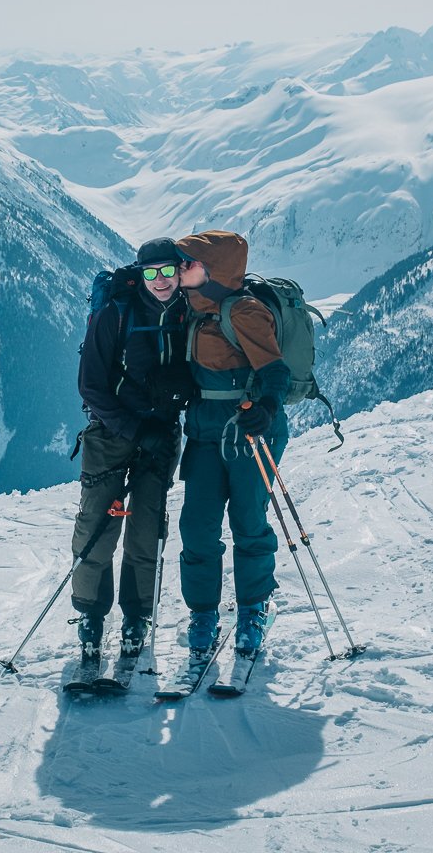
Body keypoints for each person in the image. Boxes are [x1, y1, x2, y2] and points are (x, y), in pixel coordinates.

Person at [70, 237, 194, 671]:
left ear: (180, 271)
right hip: (112, 435)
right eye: (150, 273)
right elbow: (91, 387)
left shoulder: (188, 312)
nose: (160, 281)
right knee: (99, 526)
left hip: (161, 437)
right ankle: (90, 615)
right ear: (140, 274)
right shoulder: (115, 314)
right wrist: (136, 429)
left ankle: (136, 618)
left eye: (167, 271)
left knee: (146, 530)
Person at [174, 230, 290, 657]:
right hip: (205, 430)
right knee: (198, 526)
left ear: (214, 269)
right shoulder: (192, 308)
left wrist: (269, 406)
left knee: (248, 521)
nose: (180, 269)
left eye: (188, 262)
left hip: (250, 429)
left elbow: (274, 369)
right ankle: (203, 612)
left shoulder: (243, 311)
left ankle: (254, 609)